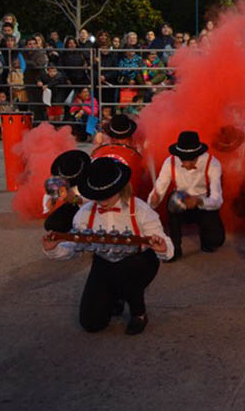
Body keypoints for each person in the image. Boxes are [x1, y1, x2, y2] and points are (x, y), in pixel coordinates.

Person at [42, 157, 173, 334]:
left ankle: (138, 313)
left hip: (139, 263)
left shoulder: (140, 210)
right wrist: (54, 249)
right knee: (91, 323)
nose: (102, 201)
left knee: (126, 268)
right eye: (97, 197)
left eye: (107, 195)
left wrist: (163, 249)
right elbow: (76, 248)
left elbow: (166, 245)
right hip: (104, 264)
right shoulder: (84, 214)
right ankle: (116, 296)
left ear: (120, 188)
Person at [148, 131, 225, 261]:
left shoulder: (213, 163)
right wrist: (153, 200)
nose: (187, 164)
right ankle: (174, 249)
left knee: (216, 240)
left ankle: (207, 240)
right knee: (171, 203)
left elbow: (217, 200)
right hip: (179, 204)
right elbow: (158, 190)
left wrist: (199, 201)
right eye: (183, 159)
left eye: (192, 159)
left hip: (203, 205)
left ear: (199, 155)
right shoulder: (170, 162)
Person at [42, 150, 91, 232]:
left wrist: (75, 199)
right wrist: (51, 202)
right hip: (73, 204)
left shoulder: (89, 176)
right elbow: (48, 197)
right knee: (52, 224)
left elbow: (92, 198)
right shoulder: (59, 180)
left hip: (92, 206)